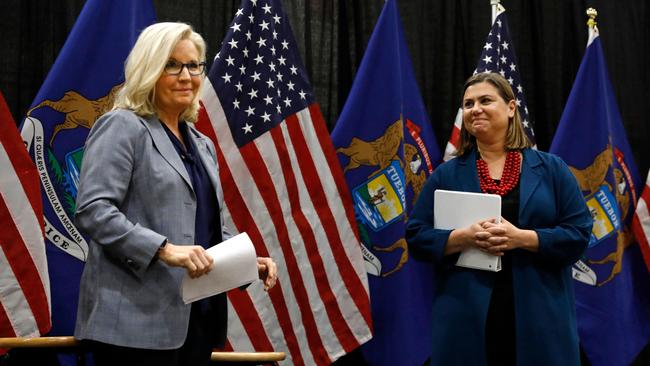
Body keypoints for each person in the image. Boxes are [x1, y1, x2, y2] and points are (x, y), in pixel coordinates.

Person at [73, 22, 277, 366]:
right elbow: (93, 210)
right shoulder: (123, 126)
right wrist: (164, 250)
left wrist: (243, 263)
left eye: (194, 65)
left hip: (196, 323)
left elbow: (208, 226)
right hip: (133, 326)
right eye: (172, 65)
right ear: (148, 70)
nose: (186, 76)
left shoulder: (203, 144)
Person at [406, 72, 592, 365]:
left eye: (485, 100)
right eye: (467, 104)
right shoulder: (446, 174)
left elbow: (579, 233)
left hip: (540, 316)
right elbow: (416, 236)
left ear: (511, 108)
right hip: (465, 317)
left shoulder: (552, 169)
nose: (475, 109)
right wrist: (461, 238)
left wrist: (523, 238)